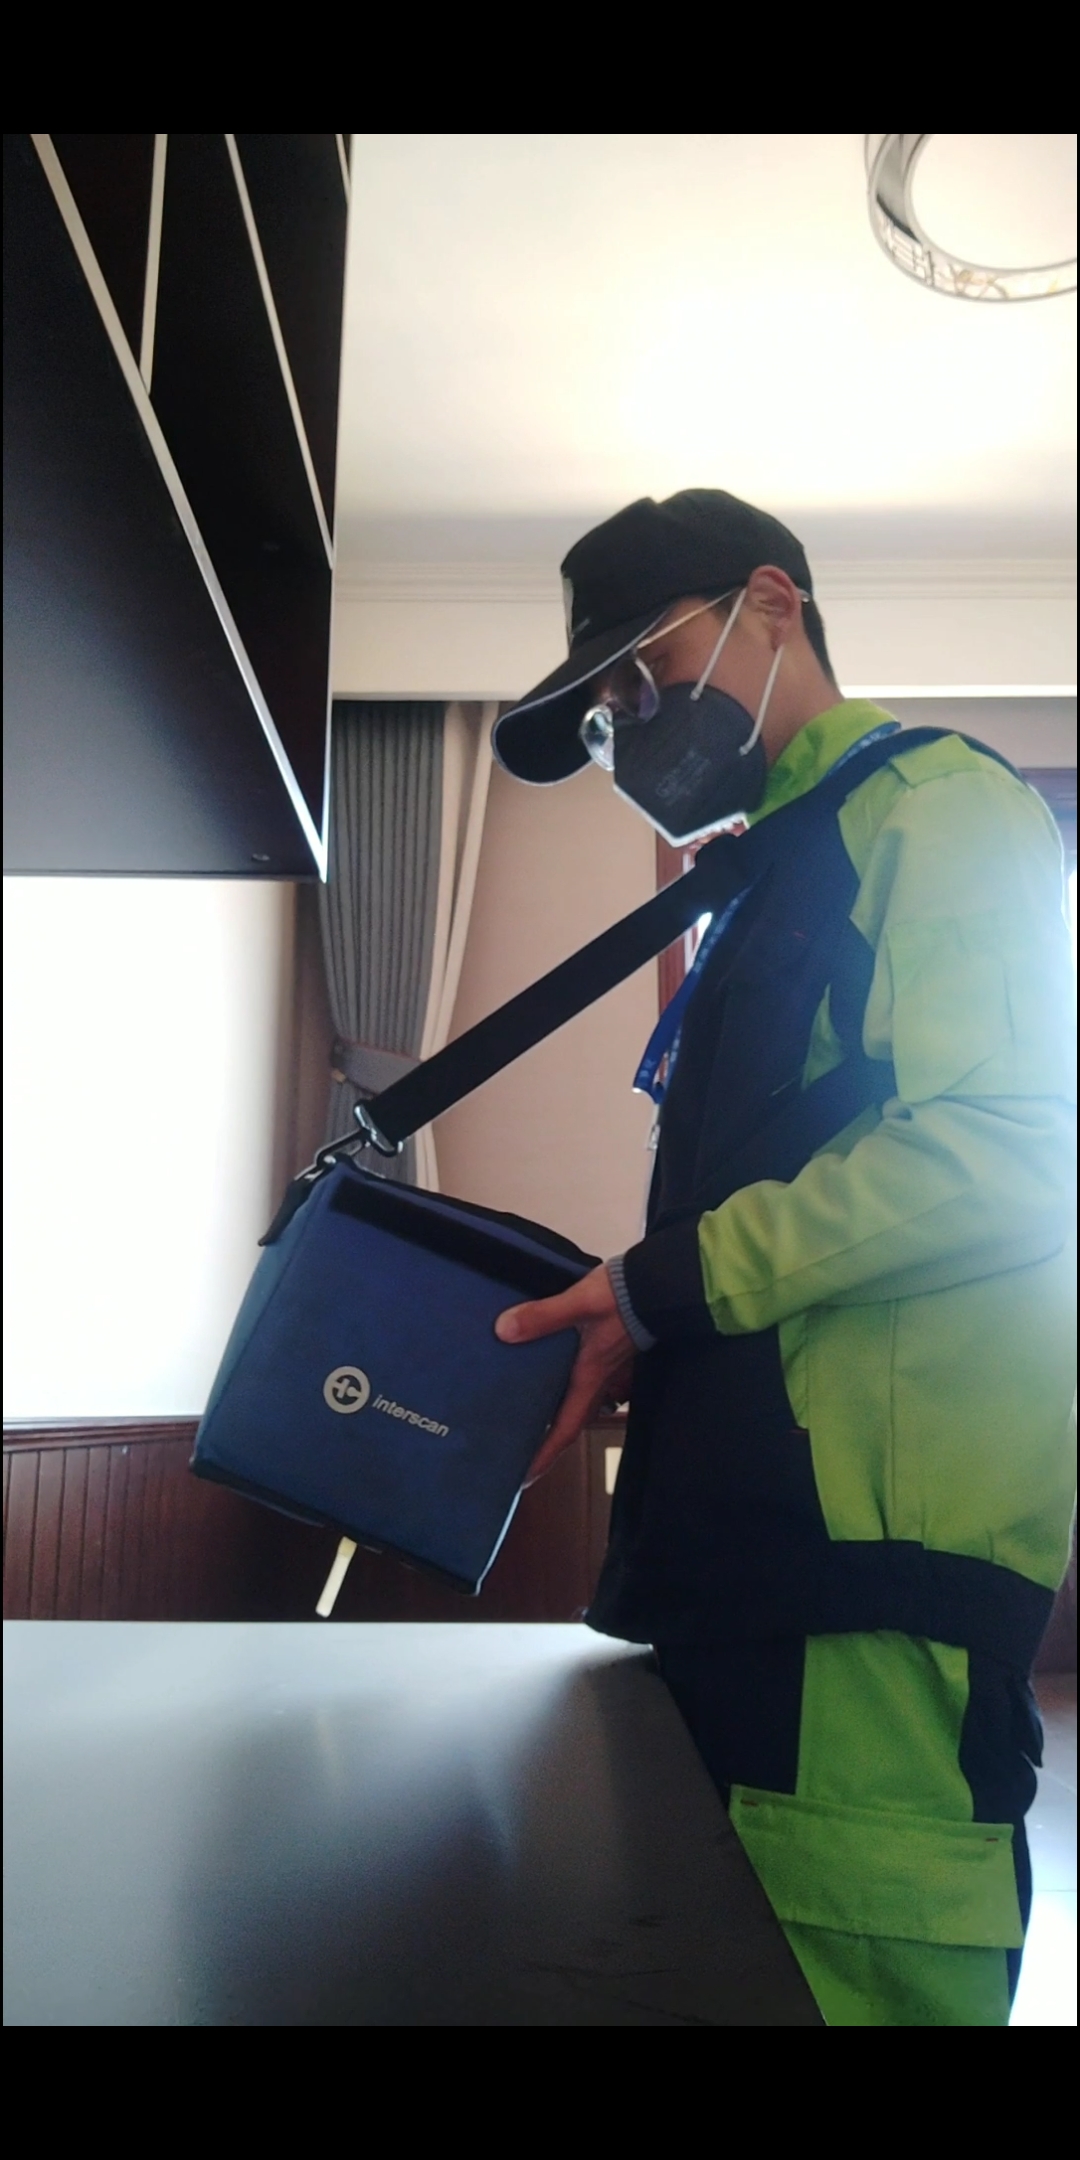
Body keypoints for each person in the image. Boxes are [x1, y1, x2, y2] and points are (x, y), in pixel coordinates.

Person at [490, 489, 1076, 2027]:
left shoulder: (939, 808)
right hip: (744, 1577)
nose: (631, 727)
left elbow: (1011, 1150)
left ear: (771, 603)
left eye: (644, 672)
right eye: (606, 712)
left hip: (864, 1605)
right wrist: (653, 1327)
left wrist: (657, 1288)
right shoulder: (774, 869)